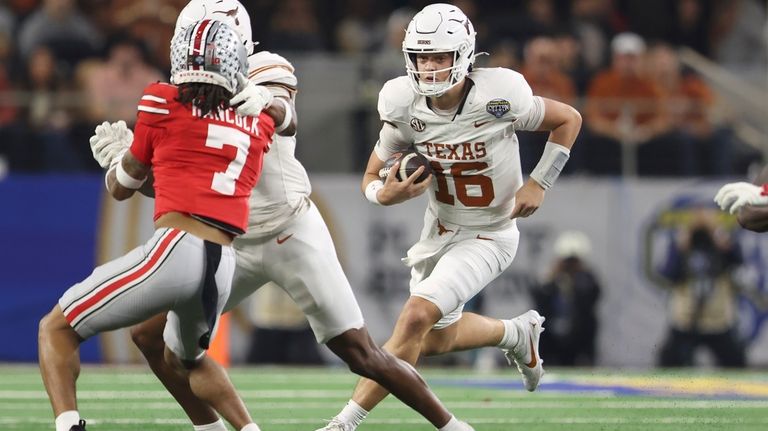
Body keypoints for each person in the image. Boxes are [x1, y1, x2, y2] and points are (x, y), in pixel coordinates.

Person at [106, 2, 474, 431]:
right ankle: (214, 428)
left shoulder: (263, 71)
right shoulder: (179, 98)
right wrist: (123, 164)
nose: (200, 52)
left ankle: (452, 427)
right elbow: (168, 185)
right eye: (193, 40)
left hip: (290, 230)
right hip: (230, 242)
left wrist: (269, 103)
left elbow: (288, 117)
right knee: (149, 336)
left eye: (211, 39)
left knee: (362, 354)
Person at [317, 3, 582, 430]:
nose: (429, 67)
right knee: (433, 339)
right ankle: (515, 334)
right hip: (438, 232)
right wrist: (383, 195)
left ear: (463, 54)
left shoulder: (499, 95)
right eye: (421, 57)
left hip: (491, 233)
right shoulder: (403, 102)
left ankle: (347, 422)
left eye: (439, 56)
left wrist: (539, 182)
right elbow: (370, 176)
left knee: (414, 317)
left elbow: (568, 118)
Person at [38, 20, 274, 431]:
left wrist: (118, 160)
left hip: (175, 250)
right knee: (183, 357)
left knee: (55, 329)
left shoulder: (160, 100)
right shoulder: (260, 123)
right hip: (221, 265)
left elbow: (123, 187)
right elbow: (199, 165)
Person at [656, 210, 746, 368]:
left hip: (717, 319)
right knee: (668, 363)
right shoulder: (683, 246)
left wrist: (717, 232)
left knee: (736, 363)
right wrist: (683, 242)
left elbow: (738, 260)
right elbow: (669, 274)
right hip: (686, 318)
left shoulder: (720, 245)